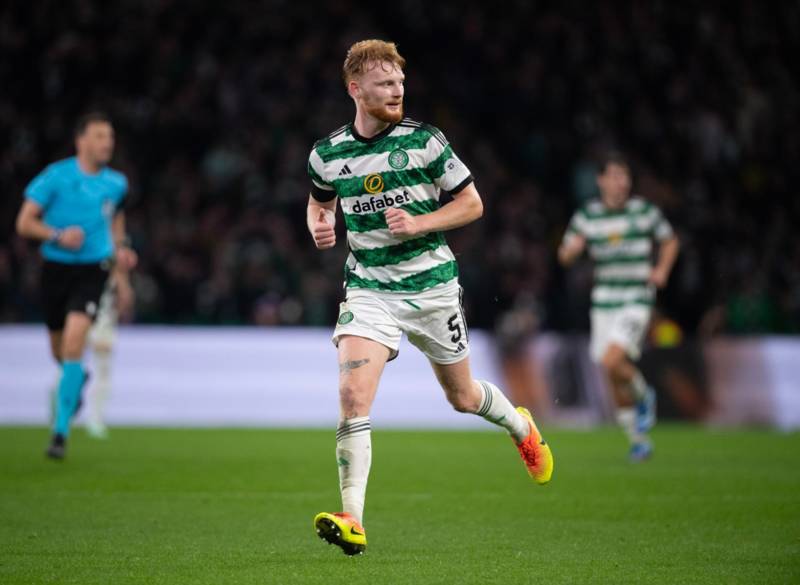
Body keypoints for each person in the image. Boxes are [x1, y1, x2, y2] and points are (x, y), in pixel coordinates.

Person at [306, 39, 554, 556]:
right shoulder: (327, 154)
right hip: (369, 287)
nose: (397, 90)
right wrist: (320, 225)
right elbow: (318, 201)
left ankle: (519, 425)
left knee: (461, 398)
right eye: (385, 83)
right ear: (355, 89)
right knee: (353, 396)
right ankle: (352, 517)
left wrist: (420, 221)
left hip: (432, 286)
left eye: (400, 82)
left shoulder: (427, 142)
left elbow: (472, 203)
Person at [15, 112, 136, 459]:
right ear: (80, 140)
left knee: (74, 340)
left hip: (92, 269)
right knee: (60, 351)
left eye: (110, 137)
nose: (107, 143)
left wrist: (122, 263)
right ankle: (74, 377)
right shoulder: (55, 177)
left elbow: (116, 227)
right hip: (56, 269)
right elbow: (24, 223)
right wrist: (56, 235)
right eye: (100, 136)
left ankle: (60, 433)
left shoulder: (117, 184)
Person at [558, 152, 679, 461]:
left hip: (636, 297)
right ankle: (638, 439)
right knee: (610, 371)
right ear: (600, 180)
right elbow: (564, 255)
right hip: (604, 301)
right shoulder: (588, 215)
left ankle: (644, 394)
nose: (620, 182)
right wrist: (571, 251)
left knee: (613, 361)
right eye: (613, 176)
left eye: (624, 176)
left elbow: (670, 241)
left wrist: (662, 271)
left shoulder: (644, 211)